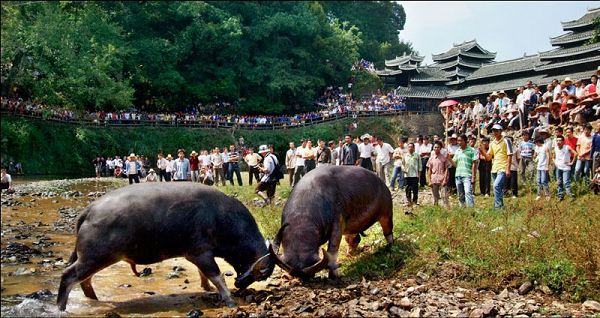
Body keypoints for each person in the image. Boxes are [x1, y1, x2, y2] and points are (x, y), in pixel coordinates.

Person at [479, 124, 513, 209]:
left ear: (500, 131)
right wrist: (482, 151)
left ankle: (497, 207)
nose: (494, 132)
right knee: (498, 189)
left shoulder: (506, 140)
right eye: (493, 130)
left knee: (496, 186)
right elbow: (489, 157)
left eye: (496, 130)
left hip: (503, 167)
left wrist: (508, 169)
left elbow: (510, 155)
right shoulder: (492, 143)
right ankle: (500, 206)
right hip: (494, 168)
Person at [449, 135, 477, 207]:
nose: (459, 142)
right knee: (460, 194)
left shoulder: (471, 150)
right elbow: (455, 164)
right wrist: (449, 159)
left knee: (468, 192)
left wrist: (473, 176)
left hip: (467, 175)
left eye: (461, 140)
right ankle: (462, 208)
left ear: (465, 141)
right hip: (458, 175)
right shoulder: (458, 151)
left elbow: (474, 164)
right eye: (458, 141)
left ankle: (470, 208)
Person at [553, 135, 577, 201]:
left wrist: (571, 163)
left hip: (566, 168)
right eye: (557, 140)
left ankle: (570, 196)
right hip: (558, 168)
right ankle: (560, 196)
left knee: (566, 182)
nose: (558, 142)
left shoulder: (567, 147)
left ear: (563, 141)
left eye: (560, 140)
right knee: (559, 182)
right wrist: (555, 162)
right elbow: (553, 156)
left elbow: (575, 154)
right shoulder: (555, 148)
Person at [427, 141, 449, 207]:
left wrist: (445, 179)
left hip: (442, 179)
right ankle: (435, 209)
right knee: (435, 197)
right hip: (434, 179)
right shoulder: (431, 158)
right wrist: (429, 180)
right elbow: (429, 170)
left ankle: (446, 210)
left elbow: (447, 169)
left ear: (440, 148)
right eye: (435, 147)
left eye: (438, 147)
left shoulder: (444, 158)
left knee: (444, 196)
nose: (436, 148)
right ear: (433, 148)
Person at [402, 143, 421, 207]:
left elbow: (420, 165)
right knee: (408, 188)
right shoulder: (405, 155)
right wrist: (404, 169)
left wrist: (419, 174)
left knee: (415, 188)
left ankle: (415, 201)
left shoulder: (417, 155)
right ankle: (408, 200)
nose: (410, 148)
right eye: (409, 147)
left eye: (411, 147)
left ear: (414, 148)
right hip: (407, 174)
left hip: (415, 174)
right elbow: (402, 164)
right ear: (407, 148)